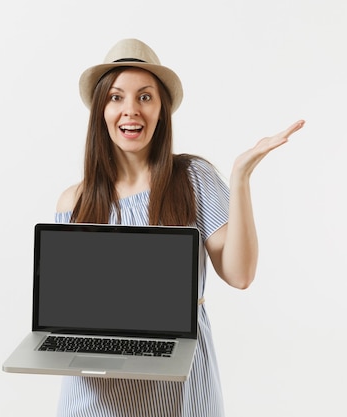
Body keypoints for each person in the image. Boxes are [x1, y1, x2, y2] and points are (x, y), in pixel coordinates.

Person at [54, 38, 304, 417]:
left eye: (145, 97)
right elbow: (66, 309)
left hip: (178, 382)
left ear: (162, 110)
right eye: (116, 97)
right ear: (101, 109)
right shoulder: (75, 201)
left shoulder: (192, 179)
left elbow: (239, 274)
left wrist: (240, 178)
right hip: (95, 393)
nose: (130, 111)